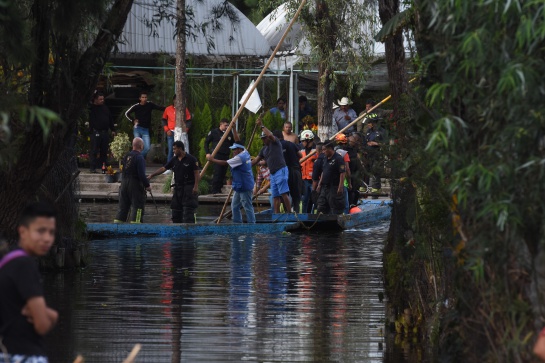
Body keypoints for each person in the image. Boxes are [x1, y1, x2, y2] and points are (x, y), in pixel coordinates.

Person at [0, 202, 59, 362]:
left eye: (51, 232)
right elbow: (41, 325)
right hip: (25, 355)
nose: (47, 238)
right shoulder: (25, 265)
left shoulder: (7, 262)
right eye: (40, 231)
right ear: (23, 231)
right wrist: (52, 315)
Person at [148, 141, 200, 223]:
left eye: (174, 149)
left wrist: (196, 186)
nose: (173, 151)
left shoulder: (191, 159)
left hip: (188, 187)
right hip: (178, 187)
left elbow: (197, 173)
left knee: (188, 211)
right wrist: (152, 175)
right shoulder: (174, 160)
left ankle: (189, 228)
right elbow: (163, 169)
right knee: (175, 210)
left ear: (180, 149)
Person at [207, 143, 256, 224]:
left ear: (240, 149)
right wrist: (234, 130)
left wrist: (212, 160)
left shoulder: (240, 158)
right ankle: (237, 223)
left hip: (245, 186)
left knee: (247, 206)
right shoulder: (245, 152)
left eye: (234, 149)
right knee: (235, 206)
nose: (233, 151)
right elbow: (238, 140)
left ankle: (252, 224)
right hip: (239, 186)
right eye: (233, 149)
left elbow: (225, 163)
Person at [251, 118, 292, 213]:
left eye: (265, 138)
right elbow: (256, 160)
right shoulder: (263, 149)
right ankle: (276, 215)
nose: (264, 140)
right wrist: (245, 165)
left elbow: (270, 134)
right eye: (263, 138)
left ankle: (289, 213)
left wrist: (261, 125)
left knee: (284, 193)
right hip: (272, 173)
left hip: (280, 170)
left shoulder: (275, 142)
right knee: (275, 196)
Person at [114, 137, 151, 223]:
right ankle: (136, 226)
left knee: (123, 207)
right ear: (141, 146)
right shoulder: (140, 158)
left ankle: (117, 226)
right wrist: (147, 185)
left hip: (124, 184)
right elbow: (141, 174)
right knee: (138, 207)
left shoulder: (126, 156)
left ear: (133, 145)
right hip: (135, 184)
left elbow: (123, 170)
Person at [124, 92, 166, 158]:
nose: (144, 99)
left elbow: (159, 108)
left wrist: (170, 108)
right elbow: (126, 113)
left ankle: (136, 158)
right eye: (143, 97)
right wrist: (133, 120)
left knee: (147, 147)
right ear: (140, 98)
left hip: (145, 129)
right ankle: (136, 159)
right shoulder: (136, 106)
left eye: (145, 97)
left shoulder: (150, 105)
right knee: (136, 147)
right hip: (137, 128)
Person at [273, 130, 303, 213]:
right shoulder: (291, 144)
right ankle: (297, 211)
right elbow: (300, 155)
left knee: (284, 193)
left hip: (283, 171)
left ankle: (287, 212)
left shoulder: (276, 146)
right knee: (296, 193)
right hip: (295, 170)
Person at [204, 119, 236, 194]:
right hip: (217, 155)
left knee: (223, 173)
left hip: (226, 155)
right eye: (225, 125)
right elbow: (206, 143)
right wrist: (207, 153)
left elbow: (233, 143)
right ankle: (215, 190)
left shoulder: (229, 133)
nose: (227, 127)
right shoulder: (214, 132)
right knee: (217, 173)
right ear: (221, 124)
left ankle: (219, 189)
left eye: (228, 125)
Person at [316, 140, 346, 214]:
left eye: (324, 150)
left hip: (334, 187)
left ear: (330, 148)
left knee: (335, 207)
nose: (323, 152)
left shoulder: (339, 159)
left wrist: (340, 187)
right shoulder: (325, 158)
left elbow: (342, 173)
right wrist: (319, 184)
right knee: (321, 205)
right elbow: (324, 171)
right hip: (325, 187)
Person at [88, 92, 116, 173]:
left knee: (104, 151)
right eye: (100, 99)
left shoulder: (105, 108)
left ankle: (104, 167)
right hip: (96, 132)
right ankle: (92, 167)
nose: (102, 101)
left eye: (103, 99)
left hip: (105, 132)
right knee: (94, 150)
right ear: (96, 100)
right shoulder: (92, 108)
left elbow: (110, 119)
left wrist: (113, 129)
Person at [162, 94, 192, 168]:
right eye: (176, 99)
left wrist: (186, 129)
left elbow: (189, 120)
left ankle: (182, 166)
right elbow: (163, 120)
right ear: (174, 100)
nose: (178, 101)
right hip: (171, 132)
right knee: (171, 150)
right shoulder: (168, 109)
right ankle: (168, 168)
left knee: (181, 150)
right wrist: (166, 130)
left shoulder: (184, 109)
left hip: (181, 132)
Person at [365, 116, 386, 195]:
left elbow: (385, 144)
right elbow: (365, 140)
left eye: (369, 123)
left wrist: (375, 143)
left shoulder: (382, 131)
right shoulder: (368, 131)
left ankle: (376, 188)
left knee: (375, 169)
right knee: (366, 169)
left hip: (378, 153)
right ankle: (365, 186)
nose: (368, 125)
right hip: (368, 154)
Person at [300, 130, 318, 214]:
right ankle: (304, 215)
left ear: (309, 140)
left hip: (314, 179)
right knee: (305, 200)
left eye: (304, 141)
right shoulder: (302, 151)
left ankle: (316, 215)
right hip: (304, 179)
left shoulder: (316, 151)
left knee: (315, 200)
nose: (302, 142)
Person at [334, 134, 352, 214]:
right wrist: (349, 183)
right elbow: (347, 169)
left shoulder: (331, 152)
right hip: (343, 183)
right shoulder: (344, 154)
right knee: (345, 204)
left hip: (332, 182)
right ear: (344, 143)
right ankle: (346, 218)